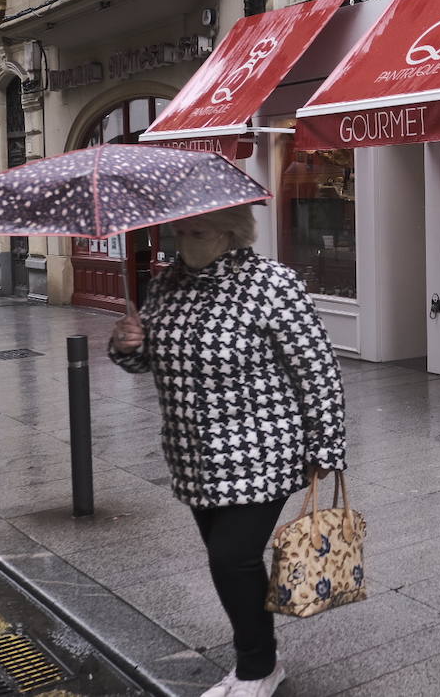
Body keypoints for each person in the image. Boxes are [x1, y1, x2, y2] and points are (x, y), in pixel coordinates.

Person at [109, 204, 346, 697]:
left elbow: (317, 369)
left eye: (196, 231)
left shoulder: (270, 283)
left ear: (230, 233)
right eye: (179, 230)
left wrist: (326, 444)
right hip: (192, 453)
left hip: (261, 448)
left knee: (231, 559)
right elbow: (149, 362)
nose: (183, 239)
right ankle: (260, 652)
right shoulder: (166, 284)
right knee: (230, 560)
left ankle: (258, 667)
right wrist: (128, 345)